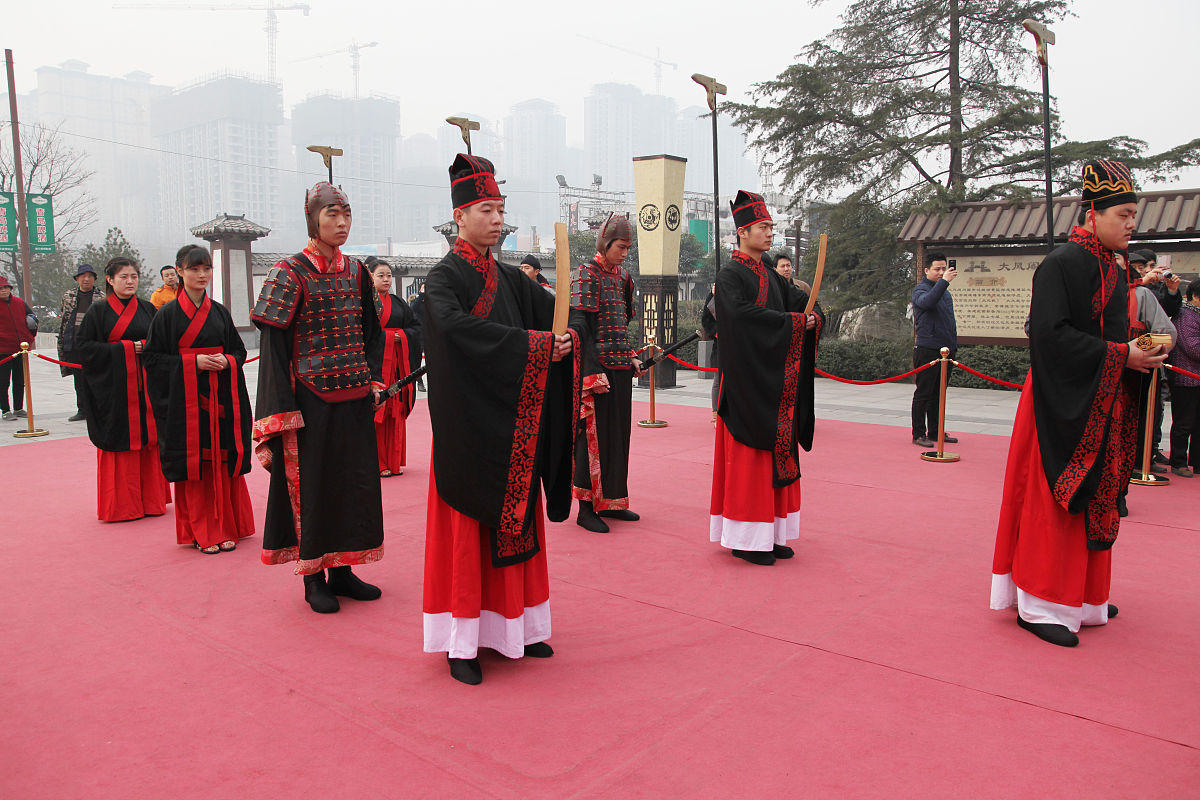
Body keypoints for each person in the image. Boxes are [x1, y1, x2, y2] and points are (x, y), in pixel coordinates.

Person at [991, 159, 1164, 647]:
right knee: (1053, 499)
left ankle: (1086, 598)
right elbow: (1048, 336)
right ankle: (1042, 603)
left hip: (1101, 394)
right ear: (1094, 213)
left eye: (1133, 215)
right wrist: (1122, 355)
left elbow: (1109, 331)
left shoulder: (1112, 265)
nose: (1131, 224)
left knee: (1098, 495)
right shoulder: (1062, 262)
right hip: (1059, 398)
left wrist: (1140, 347)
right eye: (1123, 215)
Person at [422, 154, 581, 685]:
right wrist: (535, 347)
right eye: (486, 209)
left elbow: (556, 315)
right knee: (469, 534)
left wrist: (566, 337)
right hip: (468, 431)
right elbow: (452, 332)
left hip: (514, 426)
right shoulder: (443, 279)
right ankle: (462, 642)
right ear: (460, 216)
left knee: (518, 523)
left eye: (501, 209)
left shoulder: (510, 278)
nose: (496, 219)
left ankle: (521, 627)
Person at [250, 182, 386, 614]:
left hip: (354, 398)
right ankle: (313, 577)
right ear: (313, 218)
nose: (342, 223)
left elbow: (372, 334)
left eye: (347, 214)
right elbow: (274, 350)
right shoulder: (288, 273)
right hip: (309, 401)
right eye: (332, 214)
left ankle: (344, 570)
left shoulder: (357, 272)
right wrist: (279, 411)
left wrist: (374, 380)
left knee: (353, 484)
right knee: (314, 488)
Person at [710, 190, 821, 566]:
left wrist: (813, 318)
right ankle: (745, 539)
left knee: (774, 458)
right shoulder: (730, 275)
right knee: (749, 463)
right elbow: (739, 319)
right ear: (742, 232)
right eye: (763, 226)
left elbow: (802, 305)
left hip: (773, 383)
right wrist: (793, 323)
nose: (770, 232)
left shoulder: (773, 276)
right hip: (744, 385)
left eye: (771, 226)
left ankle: (770, 535)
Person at [145, 247, 255, 554]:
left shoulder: (219, 311)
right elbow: (152, 359)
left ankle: (229, 526)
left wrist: (226, 360)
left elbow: (238, 351)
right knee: (196, 463)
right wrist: (192, 362)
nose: (202, 275)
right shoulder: (166, 315)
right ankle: (203, 531)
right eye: (194, 269)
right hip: (186, 405)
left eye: (206, 269)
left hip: (221, 398)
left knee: (222, 457)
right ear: (180, 272)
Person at [76, 257, 170, 522]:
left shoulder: (148, 309)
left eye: (134, 277)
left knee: (150, 438)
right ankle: (122, 506)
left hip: (146, 389)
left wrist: (146, 348)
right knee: (119, 438)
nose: (130, 282)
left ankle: (152, 501)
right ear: (110, 279)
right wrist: (126, 349)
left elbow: (162, 344)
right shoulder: (98, 312)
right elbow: (85, 349)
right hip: (114, 390)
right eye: (123, 277)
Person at [571, 212, 644, 533]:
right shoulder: (585, 275)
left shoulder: (624, 278)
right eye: (620, 246)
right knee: (591, 440)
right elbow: (580, 329)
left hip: (619, 369)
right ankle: (585, 509)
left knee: (618, 437)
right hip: (594, 370)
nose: (625, 253)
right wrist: (590, 371)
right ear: (605, 243)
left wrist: (631, 356)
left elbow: (620, 325)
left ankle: (613, 500)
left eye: (628, 247)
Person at [367, 257, 421, 478]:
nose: (386, 279)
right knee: (378, 410)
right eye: (381, 275)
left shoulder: (399, 303)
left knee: (395, 410)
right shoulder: (365, 303)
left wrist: (402, 336)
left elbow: (416, 328)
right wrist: (390, 337)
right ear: (371, 277)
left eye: (389, 275)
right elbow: (365, 335)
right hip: (376, 368)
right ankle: (378, 462)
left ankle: (394, 461)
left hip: (398, 366)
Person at [911, 252, 959, 447]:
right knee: (924, 393)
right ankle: (918, 433)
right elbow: (927, 302)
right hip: (927, 349)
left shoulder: (945, 292)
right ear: (926, 270)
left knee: (939, 394)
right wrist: (944, 282)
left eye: (944, 268)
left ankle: (935, 431)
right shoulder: (920, 289)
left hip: (946, 350)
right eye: (937, 269)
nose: (941, 272)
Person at [59, 264, 103, 421]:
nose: (86, 279)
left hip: (94, 344)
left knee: (96, 378)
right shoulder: (68, 296)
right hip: (75, 343)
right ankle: (82, 409)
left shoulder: (101, 297)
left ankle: (97, 409)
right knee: (79, 380)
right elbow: (64, 318)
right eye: (83, 276)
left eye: (90, 276)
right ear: (77, 279)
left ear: (94, 279)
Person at [1167, 279, 1200, 477]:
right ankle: (1178, 461)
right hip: (1185, 378)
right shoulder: (1185, 315)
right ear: (1195, 296)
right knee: (1183, 422)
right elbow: (1193, 347)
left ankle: (1197, 461)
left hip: (1196, 377)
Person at [0, 276, 36, 420]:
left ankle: (18, 408)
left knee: (20, 380)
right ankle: (5, 410)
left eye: (6, 287)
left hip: (21, 348)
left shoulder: (20, 303)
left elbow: (32, 319)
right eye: (0, 288)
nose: (3, 290)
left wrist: (29, 337)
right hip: (2, 350)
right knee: (3, 381)